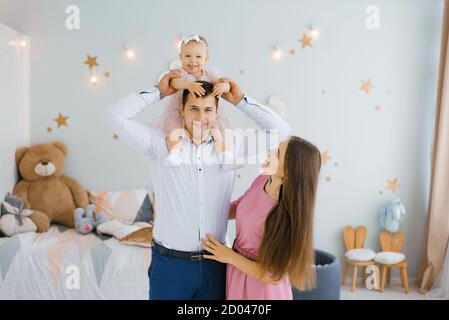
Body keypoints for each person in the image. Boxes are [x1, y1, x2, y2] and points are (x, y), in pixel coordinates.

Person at [106, 70, 291, 300]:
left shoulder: (232, 147)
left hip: (215, 265)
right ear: (181, 111)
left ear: (216, 112)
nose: (200, 117)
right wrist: (158, 92)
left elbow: (281, 131)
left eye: (207, 110)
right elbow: (115, 115)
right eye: (193, 108)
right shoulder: (160, 144)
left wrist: (239, 100)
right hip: (169, 266)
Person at [201, 136, 321, 300]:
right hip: (237, 271)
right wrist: (201, 211)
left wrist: (228, 255)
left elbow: (272, 275)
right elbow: (238, 206)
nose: (270, 152)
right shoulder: (263, 179)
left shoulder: (288, 214)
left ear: (289, 172)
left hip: (262, 289)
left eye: (277, 153)